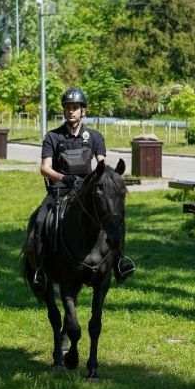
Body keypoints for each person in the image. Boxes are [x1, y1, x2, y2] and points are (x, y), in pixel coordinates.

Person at [32, 87, 135, 287]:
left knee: (114, 216)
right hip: (60, 191)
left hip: (87, 192)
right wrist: (64, 178)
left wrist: (109, 177)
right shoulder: (52, 137)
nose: (71, 111)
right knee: (39, 221)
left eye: (75, 107)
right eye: (68, 108)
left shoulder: (94, 137)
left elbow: (102, 165)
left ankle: (120, 261)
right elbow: (45, 168)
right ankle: (40, 271)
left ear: (83, 111)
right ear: (63, 111)